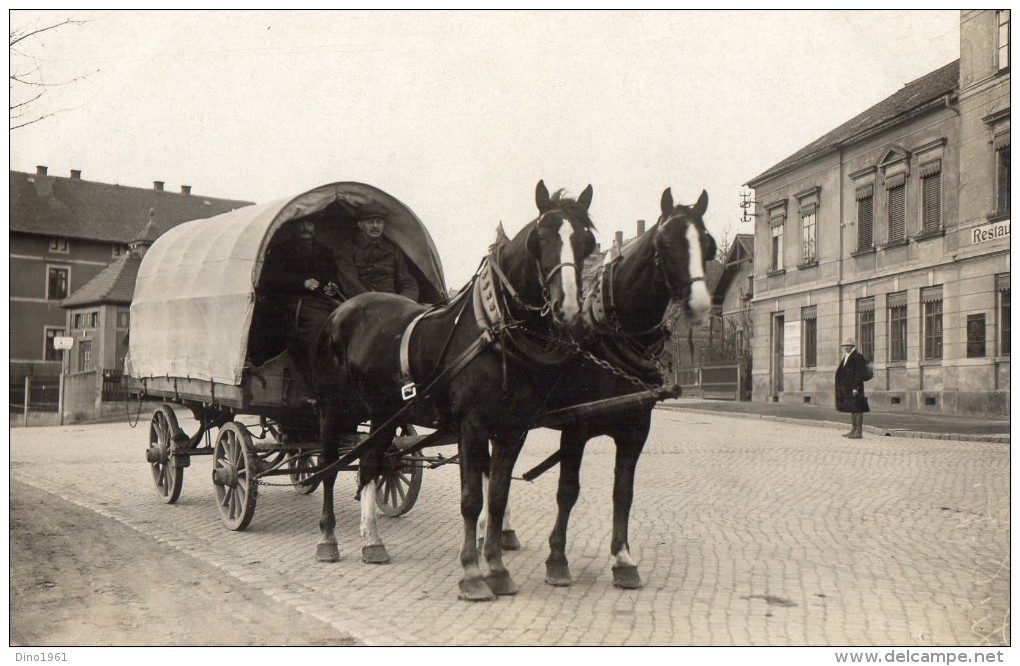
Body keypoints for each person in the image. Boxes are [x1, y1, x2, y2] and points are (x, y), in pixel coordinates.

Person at [256, 218, 342, 374]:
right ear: (294, 227)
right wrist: (302, 282)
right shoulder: (281, 251)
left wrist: (331, 287)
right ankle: (315, 373)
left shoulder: (325, 251)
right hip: (290, 299)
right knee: (317, 324)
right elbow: (272, 279)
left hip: (321, 300)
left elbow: (331, 277)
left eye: (309, 224)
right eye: (301, 224)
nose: (305, 228)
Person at [335, 205, 419, 301]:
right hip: (361, 303)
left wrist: (404, 303)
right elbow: (350, 284)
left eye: (379, 222)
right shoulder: (346, 248)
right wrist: (374, 303)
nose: (375, 226)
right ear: (360, 225)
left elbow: (408, 283)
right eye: (370, 222)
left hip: (392, 303)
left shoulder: (393, 248)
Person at [834, 337, 873, 439]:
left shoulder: (857, 356)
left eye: (847, 346)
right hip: (848, 387)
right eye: (844, 346)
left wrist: (856, 387)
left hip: (856, 387)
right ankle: (853, 429)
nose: (845, 347)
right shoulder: (847, 356)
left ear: (852, 346)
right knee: (852, 408)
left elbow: (859, 374)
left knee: (858, 409)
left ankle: (859, 432)